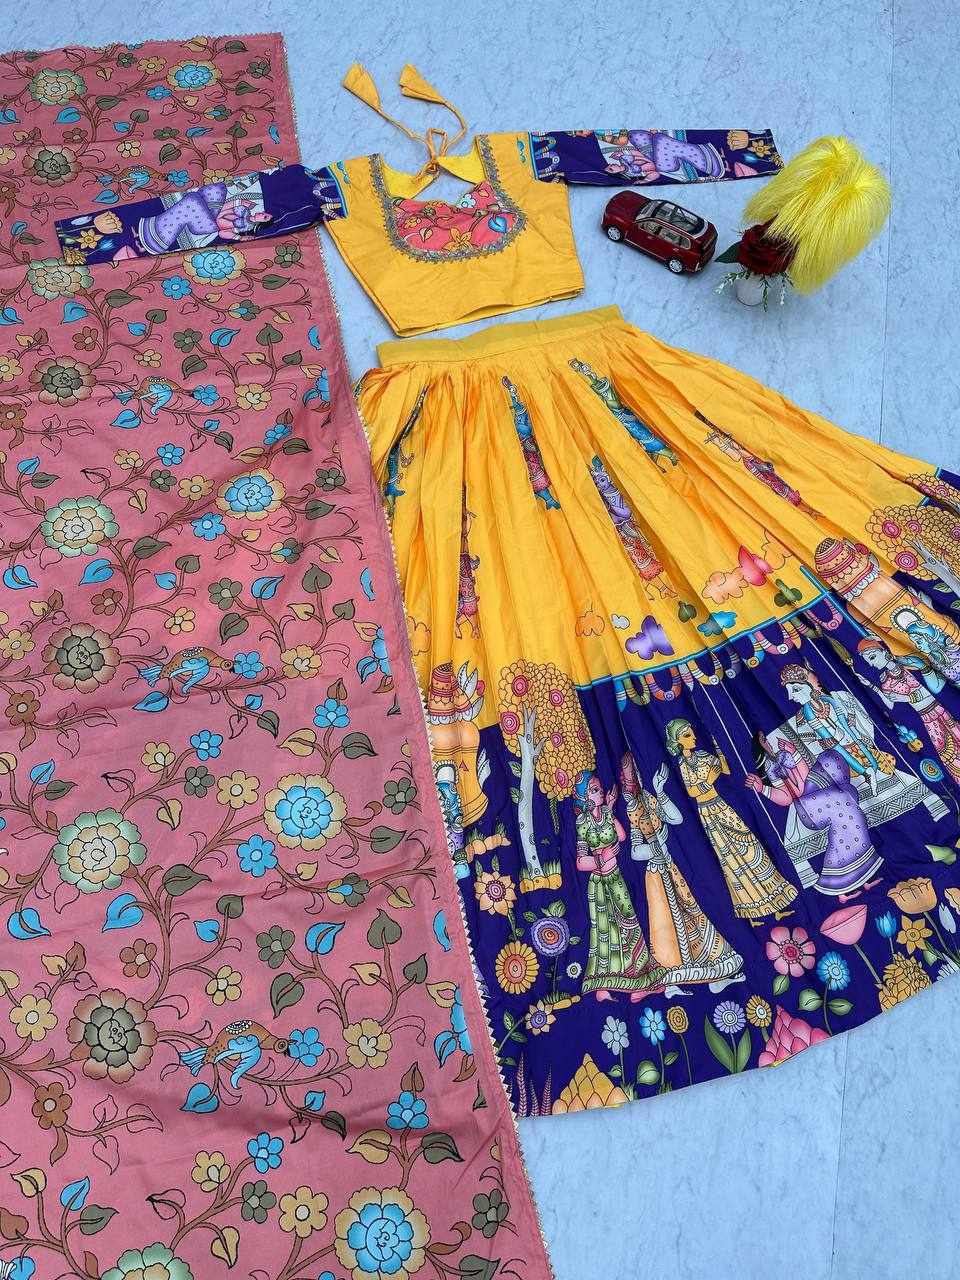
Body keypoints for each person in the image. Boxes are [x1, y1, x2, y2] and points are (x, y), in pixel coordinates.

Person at [620, 754, 744, 988]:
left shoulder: (649, 798)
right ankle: (673, 978)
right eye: (629, 777)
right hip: (655, 872)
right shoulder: (633, 808)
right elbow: (635, 851)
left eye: (635, 773)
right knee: (665, 923)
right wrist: (656, 845)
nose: (633, 779)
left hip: (669, 865)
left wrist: (660, 790)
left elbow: (676, 819)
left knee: (690, 910)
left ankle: (713, 970)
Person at [665, 718, 797, 921]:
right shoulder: (683, 764)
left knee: (752, 849)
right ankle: (752, 913)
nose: (694, 738)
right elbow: (692, 791)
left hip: (720, 806)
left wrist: (718, 752)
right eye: (687, 735)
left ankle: (776, 904)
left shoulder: (703, 755)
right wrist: (710, 777)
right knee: (731, 861)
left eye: (692, 733)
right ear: (678, 741)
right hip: (708, 813)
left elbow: (724, 769)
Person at [746, 732, 882, 897]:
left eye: (766, 738)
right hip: (806, 806)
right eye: (764, 740)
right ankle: (843, 881)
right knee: (844, 803)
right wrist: (763, 789)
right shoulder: (771, 767)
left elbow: (805, 776)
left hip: (812, 790)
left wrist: (794, 753)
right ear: (760, 748)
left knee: (830, 759)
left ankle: (859, 877)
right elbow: (789, 797)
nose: (768, 742)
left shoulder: (783, 755)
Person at [573, 769, 665, 1000]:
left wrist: (611, 809)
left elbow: (622, 836)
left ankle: (639, 983)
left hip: (615, 878)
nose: (601, 792)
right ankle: (605, 985)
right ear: (584, 797)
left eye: (600, 788)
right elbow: (580, 862)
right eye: (594, 789)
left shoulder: (606, 814)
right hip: (598, 883)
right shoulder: (582, 823)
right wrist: (602, 857)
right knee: (605, 932)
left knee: (629, 925)